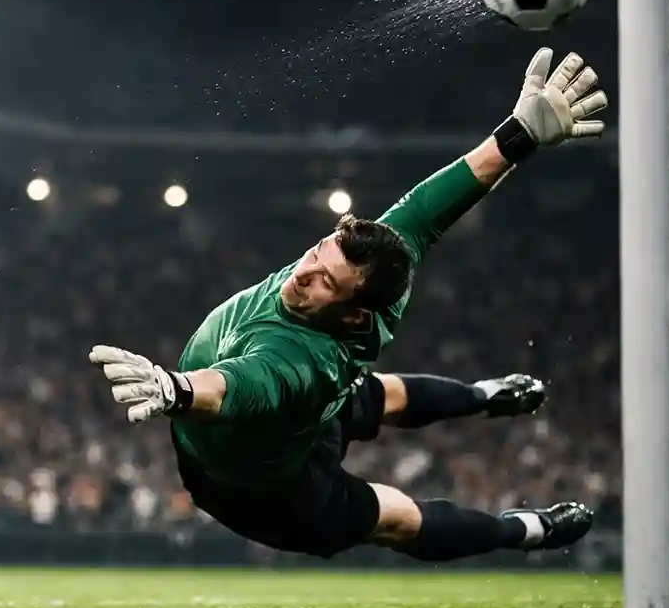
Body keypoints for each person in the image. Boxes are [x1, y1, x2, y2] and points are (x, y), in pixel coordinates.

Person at [89, 48, 607, 563]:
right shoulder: (375, 274)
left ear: (356, 312)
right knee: (389, 398)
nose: (302, 275)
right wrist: (520, 135)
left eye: (323, 282)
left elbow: (237, 386)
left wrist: (172, 388)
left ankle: (520, 528)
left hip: (269, 484)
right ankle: (493, 421)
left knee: (398, 516)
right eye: (316, 252)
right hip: (263, 465)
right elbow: (434, 202)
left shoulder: (300, 359)